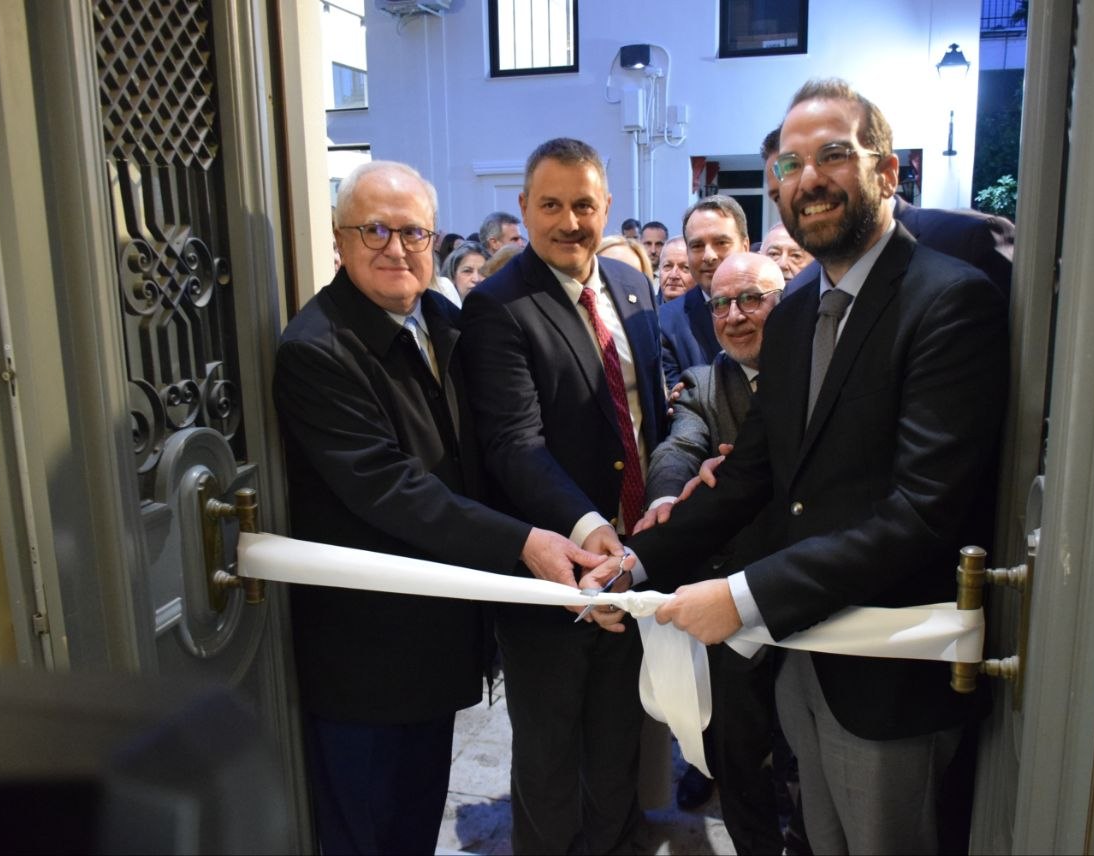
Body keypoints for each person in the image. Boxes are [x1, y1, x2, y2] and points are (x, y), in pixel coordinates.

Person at [591, 78, 1010, 854]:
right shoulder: (795, 314)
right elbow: (752, 473)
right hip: (802, 661)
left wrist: (741, 598)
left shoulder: (949, 302)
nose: (808, 178)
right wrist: (636, 564)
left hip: (889, 676)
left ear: (888, 171)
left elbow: (921, 513)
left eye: (833, 154)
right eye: (789, 164)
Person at [273, 161, 602, 855]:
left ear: (435, 239)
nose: (396, 248)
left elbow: (500, 441)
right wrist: (524, 542)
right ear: (339, 239)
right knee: (364, 832)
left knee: (416, 821)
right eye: (375, 230)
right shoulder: (316, 349)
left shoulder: (443, 319)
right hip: (366, 654)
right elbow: (392, 488)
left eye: (413, 232)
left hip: (438, 638)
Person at [460, 138, 667, 855]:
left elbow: (649, 416)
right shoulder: (496, 306)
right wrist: (586, 527)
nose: (569, 221)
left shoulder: (633, 287)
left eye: (584, 204)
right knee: (549, 759)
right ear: (524, 208)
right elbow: (514, 443)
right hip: (552, 570)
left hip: (636, 564)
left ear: (606, 206)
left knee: (619, 741)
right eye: (550, 205)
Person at [639, 251, 790, 854]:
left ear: (786, 302)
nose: (735, 315)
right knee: (739, 755)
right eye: (721, 304)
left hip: (813, 590)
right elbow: (679, 447)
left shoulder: (819, 373)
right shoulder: (703, 383)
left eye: (752, 299)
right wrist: (667, 496)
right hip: (732, 599)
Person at [659, 195, 751, 388]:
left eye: (721, 242)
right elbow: (681, 398)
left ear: (745, 246)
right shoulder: (666, 322)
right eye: (697, 246)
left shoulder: (774, 306)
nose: (709, 256)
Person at [656, 237, 695, 303]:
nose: (673, 275)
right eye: (667, 266)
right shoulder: (645, 308)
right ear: (659, 269)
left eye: (685, 267)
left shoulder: (711, 308)